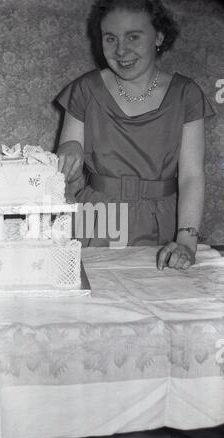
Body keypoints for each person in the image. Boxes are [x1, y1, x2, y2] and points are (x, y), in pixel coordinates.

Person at [55, 0, 215, 271]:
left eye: (133, 37)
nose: (120, 50)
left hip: (163, 221)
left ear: (159, 37)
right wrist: (69, 151)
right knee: (91, 305)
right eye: (110, 38)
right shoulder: (85, 89)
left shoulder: (187, 94)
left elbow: (191, 176)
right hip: (97, 218)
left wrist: (186, 240)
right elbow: (68, 156)